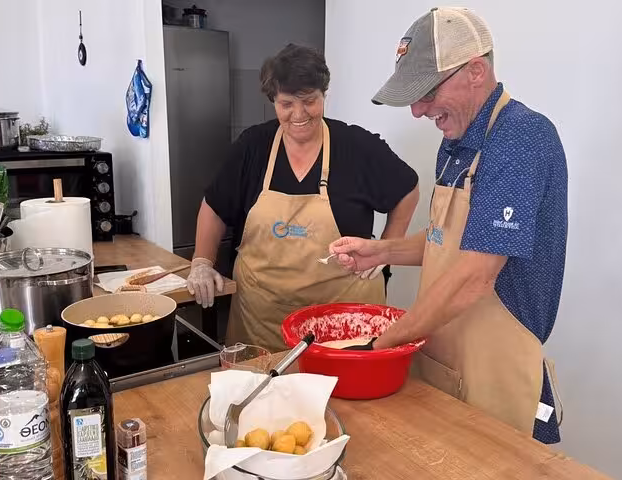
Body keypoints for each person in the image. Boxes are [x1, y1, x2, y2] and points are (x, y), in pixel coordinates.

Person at [330, 7, 567, 444]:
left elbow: (474, 277)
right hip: (443, 361)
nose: (419, 111)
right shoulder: (456, 143)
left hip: (495, 374)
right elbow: (446, 241)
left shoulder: (520, 137)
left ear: (476, 70)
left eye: (426, 92)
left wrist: (379, 348)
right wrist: (382, 250)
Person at [187, 44, 420, 352]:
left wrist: (386, 250)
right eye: (286, 104)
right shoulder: (253, 147)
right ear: (273, 101)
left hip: (342, 324)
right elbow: (214, 206)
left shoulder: (356, 146)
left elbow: (407, 191)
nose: (299, 114)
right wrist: (202, 262)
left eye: (310, 101)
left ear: (324, 95)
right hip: (263, 322)